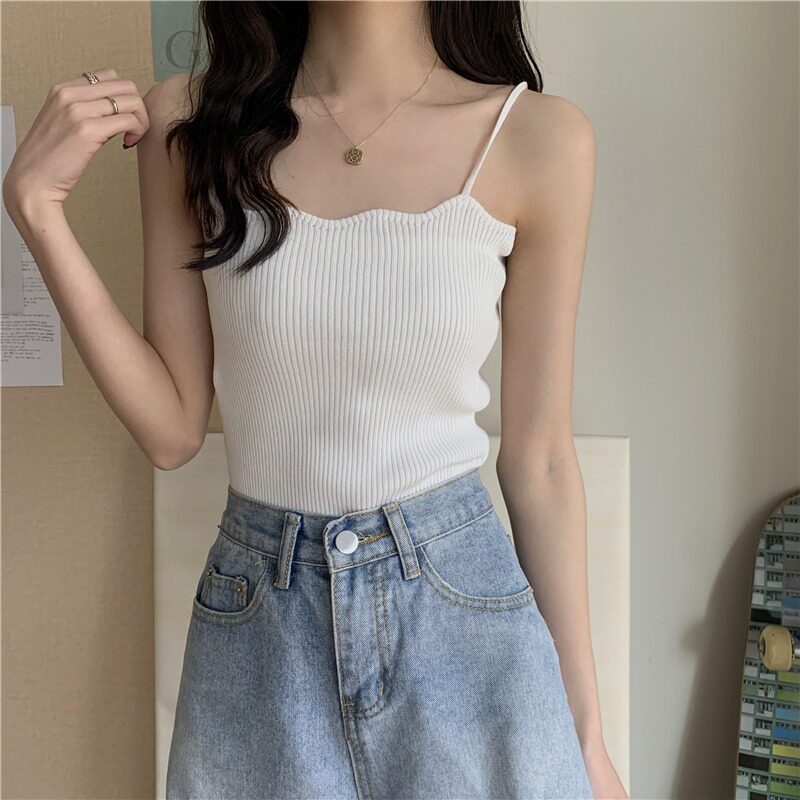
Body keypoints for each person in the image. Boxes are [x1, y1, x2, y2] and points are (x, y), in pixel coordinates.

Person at [3, 1, 627, 798]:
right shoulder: (189, 122)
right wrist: (38, 212)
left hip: (460, 617)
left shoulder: (538, 137)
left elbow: (540, 461)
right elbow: (172, 431)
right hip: (260, 622)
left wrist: (587, 735)